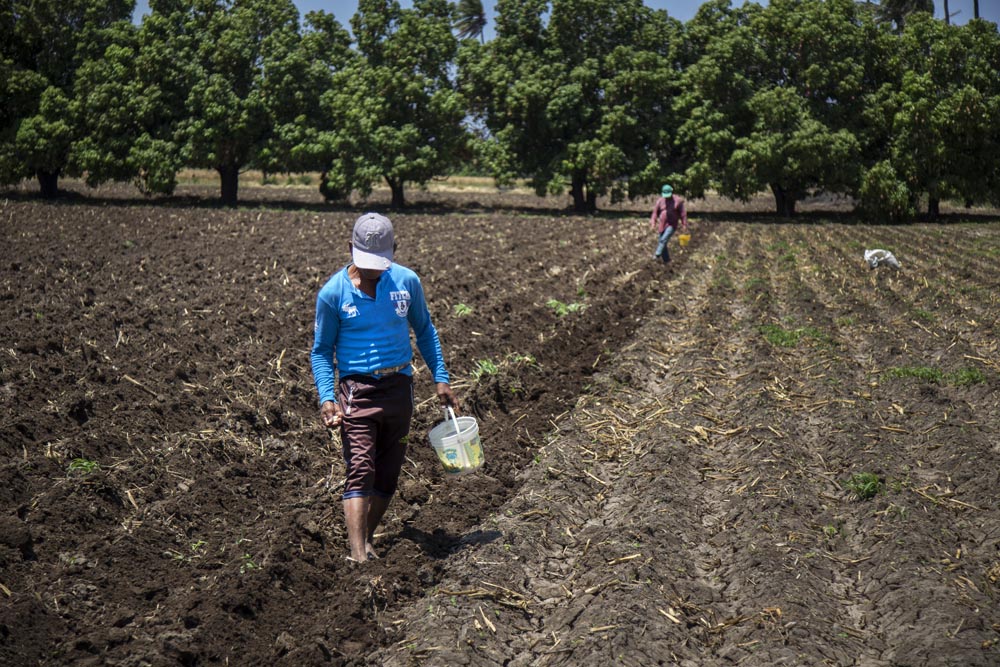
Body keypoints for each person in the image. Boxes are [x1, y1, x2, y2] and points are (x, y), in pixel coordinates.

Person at [311, 212, 458, 563]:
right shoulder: (333, 293)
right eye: (366, 263)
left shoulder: (407, 282)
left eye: (380, 263)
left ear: (394, 251)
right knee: (361, 467)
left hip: (399, 387)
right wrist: (327, 398)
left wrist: (441, 376)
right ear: (350, 249)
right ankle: (358, 556)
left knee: (388, 472)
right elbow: (321, 351)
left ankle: (368, 535)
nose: (373, 271)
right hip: (357, 389)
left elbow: (425, 330)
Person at [649, 184, 689, 264]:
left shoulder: (678, 201)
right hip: (662, 224)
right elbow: (655, 213)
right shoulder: (660, 201)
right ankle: (667, 261)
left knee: (663, 239)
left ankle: (657, 255)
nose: (667, 197)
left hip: (672, 224)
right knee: (662, 241)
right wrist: (653, 223)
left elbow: (683, 214)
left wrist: (684, 224)